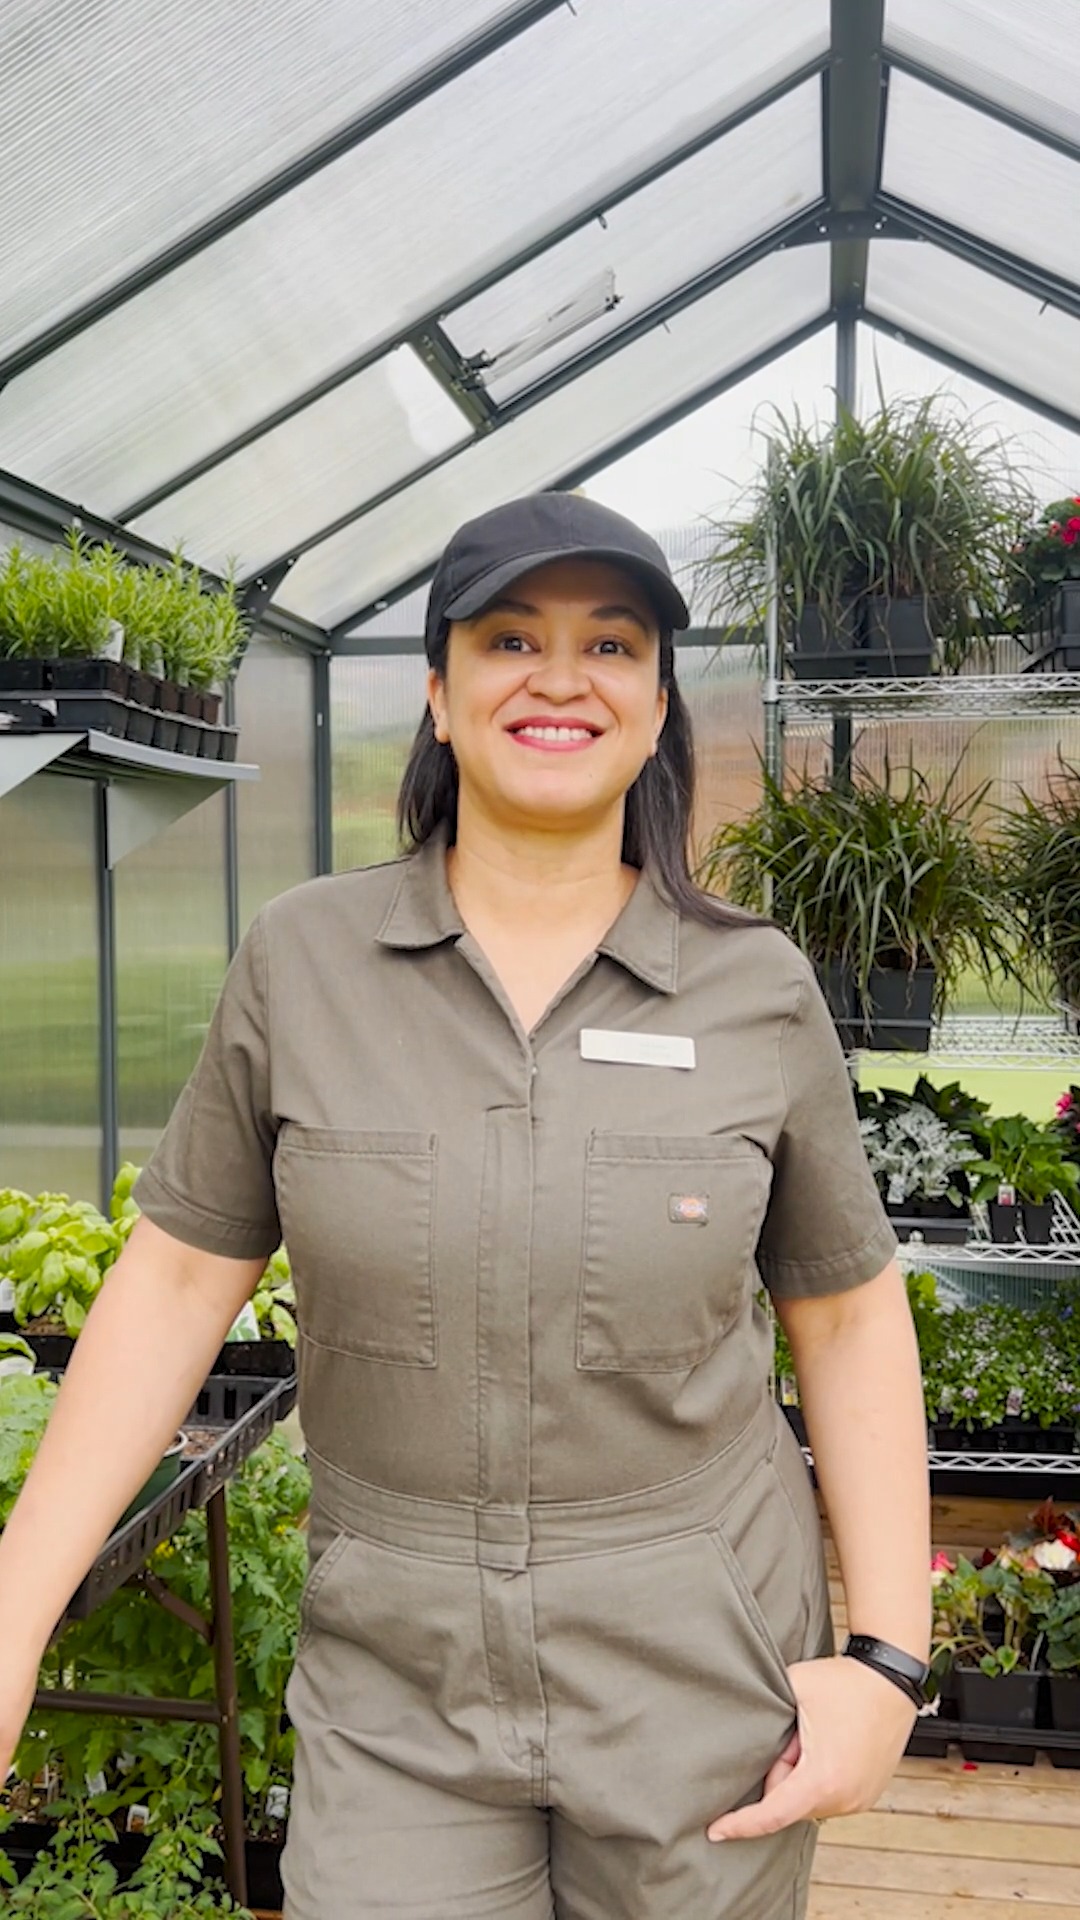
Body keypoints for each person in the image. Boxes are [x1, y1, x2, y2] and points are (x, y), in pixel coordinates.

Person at [0, 493, 931, 1919]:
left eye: (610, 645)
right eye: (509, 639)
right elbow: (177, 1284)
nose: (561, 678)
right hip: (399, 1677)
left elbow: (849, 1313)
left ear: (656, 706)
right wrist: (15, 1614)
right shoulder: (304, 962)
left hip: (697, 1659)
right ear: (438, 694)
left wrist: (888, 1663)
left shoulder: (755, 989)